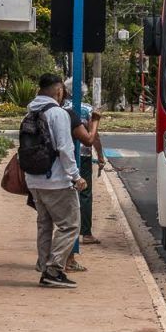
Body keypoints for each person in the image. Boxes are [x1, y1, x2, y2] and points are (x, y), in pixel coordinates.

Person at [25, 73, 87, 288]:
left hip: (34, 180)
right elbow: (65, 148)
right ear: (59, 90)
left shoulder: (30, 112)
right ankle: (53, 270)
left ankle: (44, 266)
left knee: (44, 225)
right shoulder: (57, 113)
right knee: (70, 226)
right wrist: (76, 176)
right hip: (56, 180)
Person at [63, 79, 104, 253]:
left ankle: (65, 230)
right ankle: (86, 233)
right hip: (84, 155)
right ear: (83, 92)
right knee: (85, 193)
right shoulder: (86, 109)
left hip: (64, 156)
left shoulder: (61, 108)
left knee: (65, 192)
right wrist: (100, 156)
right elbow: (94, 136)